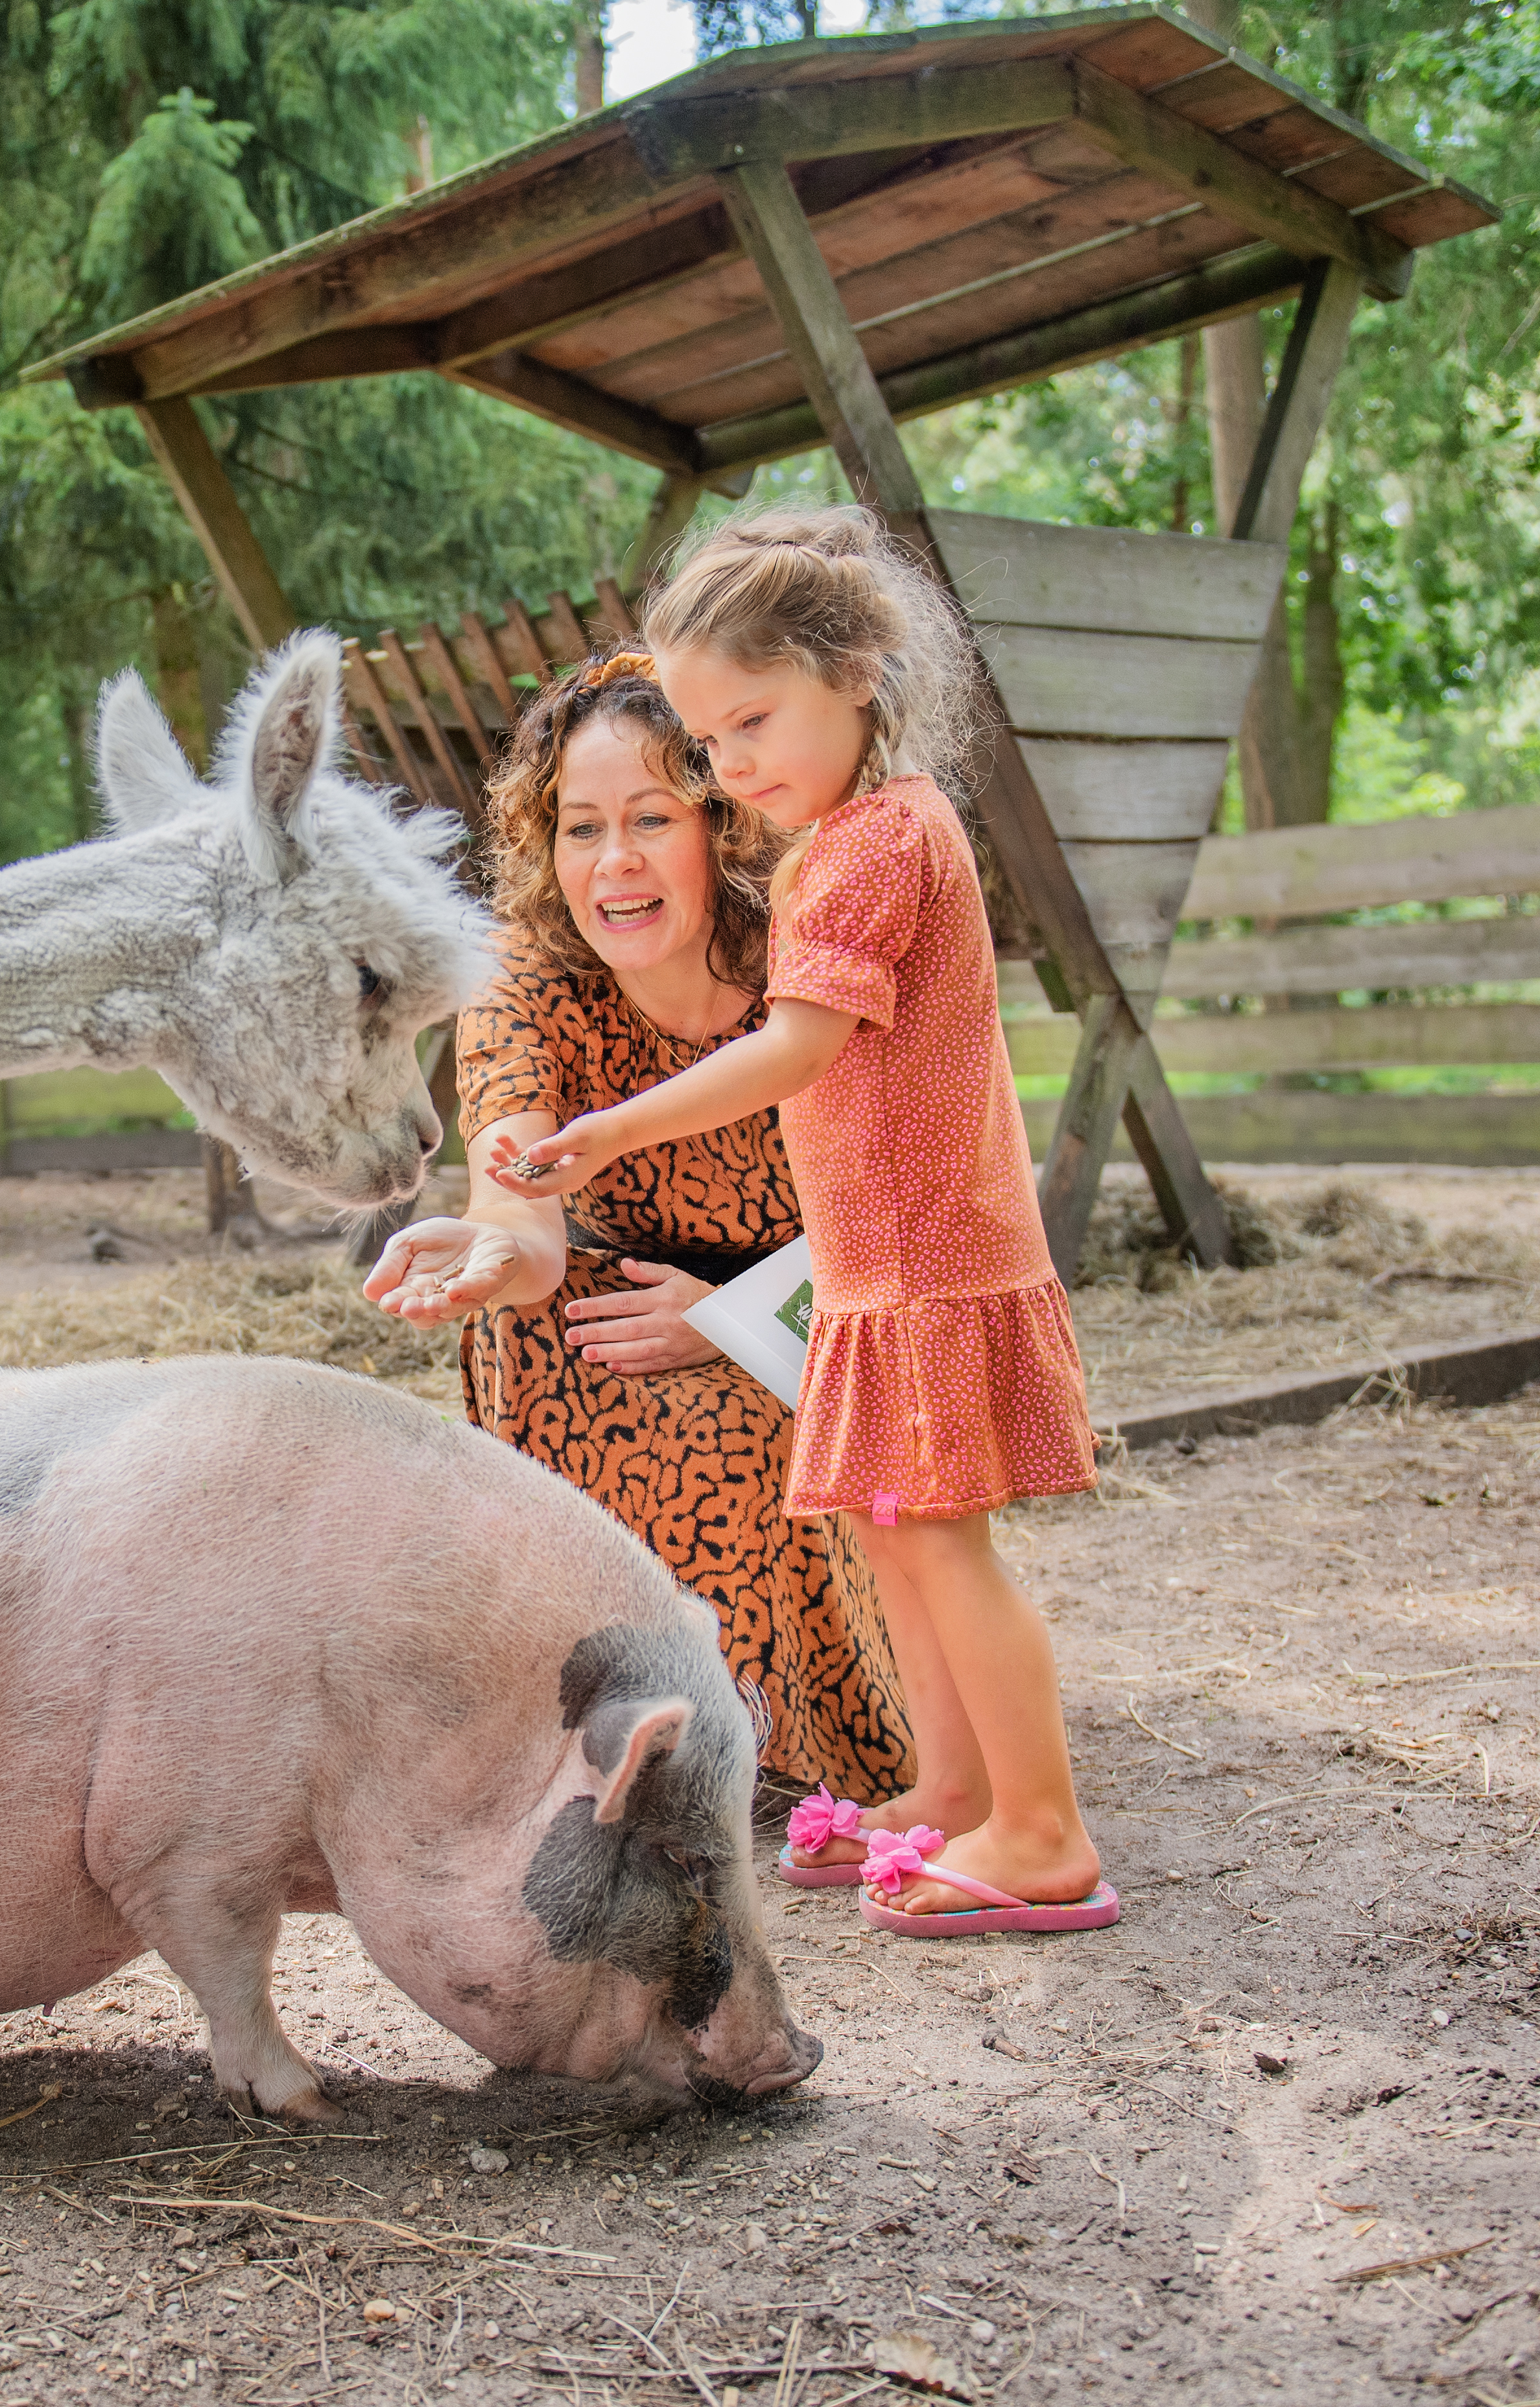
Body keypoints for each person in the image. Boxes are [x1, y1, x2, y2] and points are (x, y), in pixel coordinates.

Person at [488, 506, 1117, 1938]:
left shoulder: (867, 847)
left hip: (920, 1258)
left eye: (753, 721)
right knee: (896, 1535)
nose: (734, 766)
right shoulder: (867, 831)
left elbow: (796, 1047)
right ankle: (952, 1788)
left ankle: (1043, 1829)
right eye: (710, 742)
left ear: (858, 674)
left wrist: (615, 1128)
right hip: (884, 1262)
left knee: (942, 1546)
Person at [362, 652, 912, 1808]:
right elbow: (521, 1205)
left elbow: (905, 1215)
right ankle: (570, 1727)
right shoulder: (521, 978)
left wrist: (727, 1319)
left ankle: (760, 1741)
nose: (613, 860)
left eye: (652, 818)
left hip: (822, 1305)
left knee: (736, 1430)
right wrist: (494, 1254)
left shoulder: (811, 955)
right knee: (537, 1334)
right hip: (616, 1294)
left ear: (721, 823)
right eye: (581, 828)